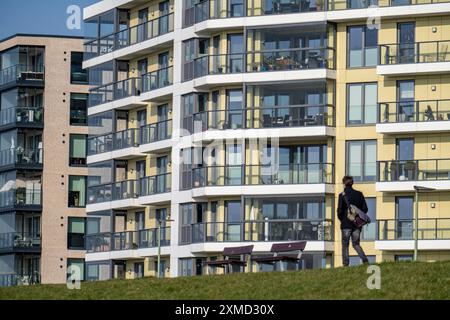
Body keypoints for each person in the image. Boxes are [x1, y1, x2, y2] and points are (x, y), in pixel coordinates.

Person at [337, 176, 369, 266]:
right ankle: (364, 259)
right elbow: (365, 209)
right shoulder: (359, 194)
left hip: (346, 224)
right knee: (356, 243)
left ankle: (346, 264)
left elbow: (339, 210)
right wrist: (357, 216)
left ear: (344, 183)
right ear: (352, 183)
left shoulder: (342, 195)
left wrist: (342, 219)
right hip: (357, 224)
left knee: (345, 244)